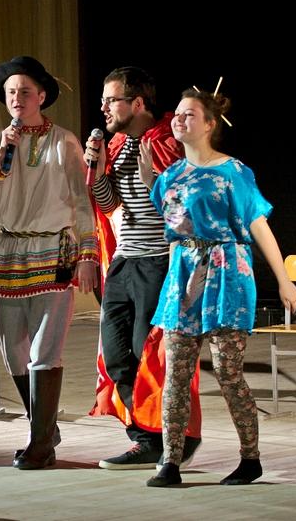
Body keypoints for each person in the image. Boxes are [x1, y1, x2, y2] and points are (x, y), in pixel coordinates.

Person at [146, 87, 296, 487]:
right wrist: (171, 290)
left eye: (189, 114)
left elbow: (257, 224)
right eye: (177, 114)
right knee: (176, 374)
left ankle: (251, 458)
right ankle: (170, 461)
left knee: (228, 372)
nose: (179, 120)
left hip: (226, 274)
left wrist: (284, 279)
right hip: (184, 277)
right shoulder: (170, 177)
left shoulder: (233, 172)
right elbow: (172, 236)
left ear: (210, 124)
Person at [0, 56, 98, 470]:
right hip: (10, 249)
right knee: (12, 348)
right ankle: (43, 425)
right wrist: (1, 153)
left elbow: (81, 199)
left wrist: (88, 254)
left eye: (24, 91)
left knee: (45, 348)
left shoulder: (63, 142)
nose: (17, 98)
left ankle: (40, 443)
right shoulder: (1, 140)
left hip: (52, 248)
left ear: (41, 96)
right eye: (11, 92)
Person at [84, 67, 203, 470]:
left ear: (137, 103)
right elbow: (110, 206)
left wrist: (154, 179)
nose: (103, 108)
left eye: (111, 100)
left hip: (159, 262)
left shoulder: (168, 142)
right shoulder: (118, 145)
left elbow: (183, 212)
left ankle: (172, 436)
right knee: (116, 355)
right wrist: (98, 171)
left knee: (149, 353)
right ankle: (145, 436)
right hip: (125, 261)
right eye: (103, 100)